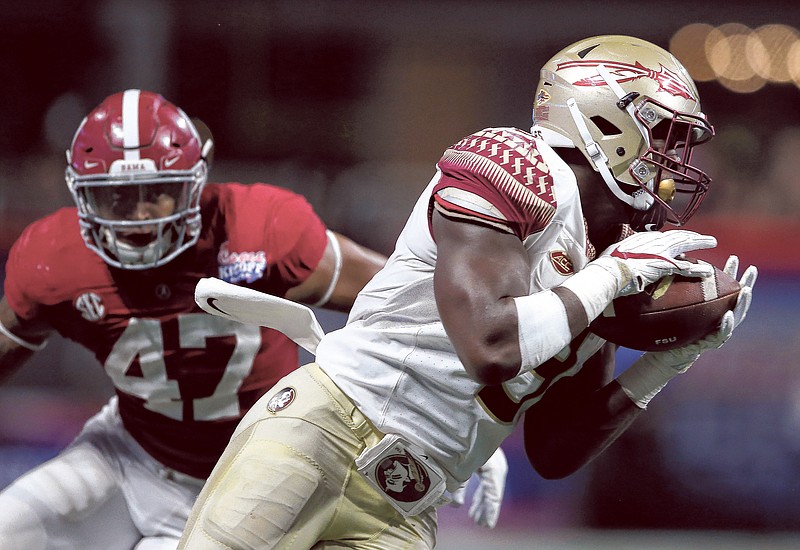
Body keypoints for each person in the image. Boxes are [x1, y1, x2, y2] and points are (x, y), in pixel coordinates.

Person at [178, 35, 757, 549]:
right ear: (603, 119)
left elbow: (556, 450)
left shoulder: (613, 251)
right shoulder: (516, 168)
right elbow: (492, 347)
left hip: (405, 505)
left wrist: (663, 364)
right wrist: (609, 279)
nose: (673, 161)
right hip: (328, 431)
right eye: (664, 132)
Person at [0, 89, 391, 549]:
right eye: (118, 199)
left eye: (157, 193)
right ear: (82, 196)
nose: (139, 218)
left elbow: (399, 298)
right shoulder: (54, 257)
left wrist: (445, 413)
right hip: (133, 454)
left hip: (252, 480)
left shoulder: (258, 227)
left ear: (195, 181)